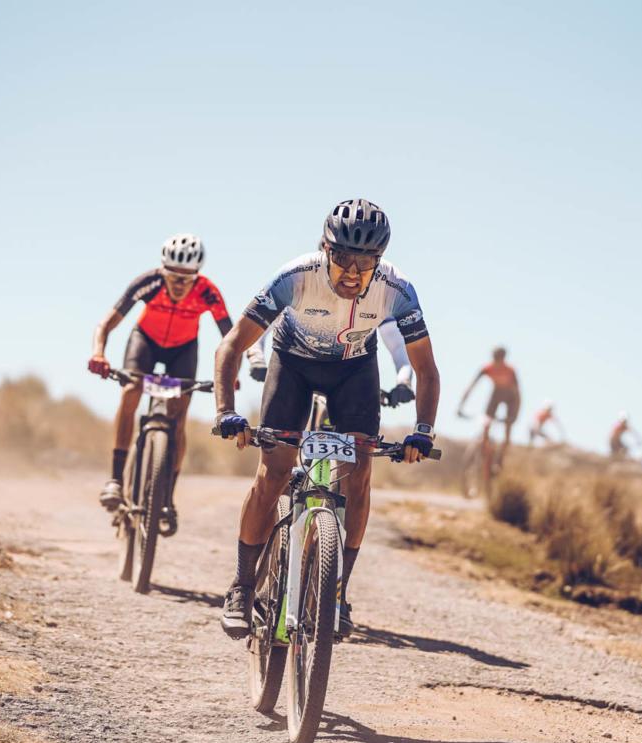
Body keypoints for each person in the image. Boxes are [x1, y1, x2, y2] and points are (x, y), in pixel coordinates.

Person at [212, 198, 441, 639]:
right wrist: (226, 411)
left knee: (359, 473)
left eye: (366, 262)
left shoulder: (397, 289)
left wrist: (423, 431)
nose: (353, 273)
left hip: (354, 370)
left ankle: (337, 592)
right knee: (274, 472)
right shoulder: (295, 277)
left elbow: (426, 369)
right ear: (325, 249)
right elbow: (232, 345)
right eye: (343, 259)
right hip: (292, 364)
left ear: (379, 260)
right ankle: (241, 587)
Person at [87, 233, 232, 534]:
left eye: (186, 278)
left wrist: (230, 374)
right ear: (162, 270)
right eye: (173, 276)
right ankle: (115, 480)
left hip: (184, 350)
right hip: (146, 342)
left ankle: (167, 499)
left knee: (178, 418)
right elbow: (105, 324)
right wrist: (98, 353)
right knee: (131, 390)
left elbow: (231, 339)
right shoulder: (149, 283)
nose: (179, 284)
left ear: (197, 275)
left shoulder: (208, 292)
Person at [245, 316, 416, 407]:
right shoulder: (301, 287)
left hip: (349, 375)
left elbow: (398, 348)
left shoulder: (375, 298)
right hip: (301, 371)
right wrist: (257, 360)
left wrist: (403, 382)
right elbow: (258, 330)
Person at [457, 347, 520, 478]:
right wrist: (460, 406)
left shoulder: (510, 371)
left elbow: (518, 395)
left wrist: (514, 416)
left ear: (504, 359)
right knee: (486, 423)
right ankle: (484, 451)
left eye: (499, 360)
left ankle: (499, 460)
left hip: (511, 398)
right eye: (495, 360)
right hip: (497, 394)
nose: (497, 363)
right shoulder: (486, 369)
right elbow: (471, 387)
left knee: (507, 430)